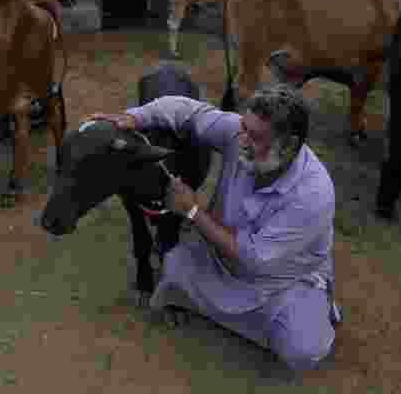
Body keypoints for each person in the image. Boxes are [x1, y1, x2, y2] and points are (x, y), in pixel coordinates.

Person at [84, 84, 340, 373]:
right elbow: (188, 112)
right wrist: (136, 117)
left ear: (289, 145)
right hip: (219, 260)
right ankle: (242, 317)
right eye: (243, 127)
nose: (241, 139)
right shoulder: (239, 135)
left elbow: (253, 258)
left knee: (301, 349)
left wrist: (192, 210)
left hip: (280, 282)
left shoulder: (314, 194)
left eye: (254, 137)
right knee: (172, 266)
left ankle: (308, 306)